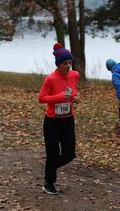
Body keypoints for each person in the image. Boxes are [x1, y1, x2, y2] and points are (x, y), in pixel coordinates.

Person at [38, 43, 81, 195]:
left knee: (70, 153)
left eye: (70, 63)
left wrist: (76, 97)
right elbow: (41, 98)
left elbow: (73, 91)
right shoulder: (50, 79)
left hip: (68, 120)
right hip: (52, 121)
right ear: (58, 64)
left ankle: (50, 168)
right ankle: (49, 183)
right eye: (65, 63)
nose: (68, 66)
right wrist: (61, 97)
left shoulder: (74, 75)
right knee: (53, 153)